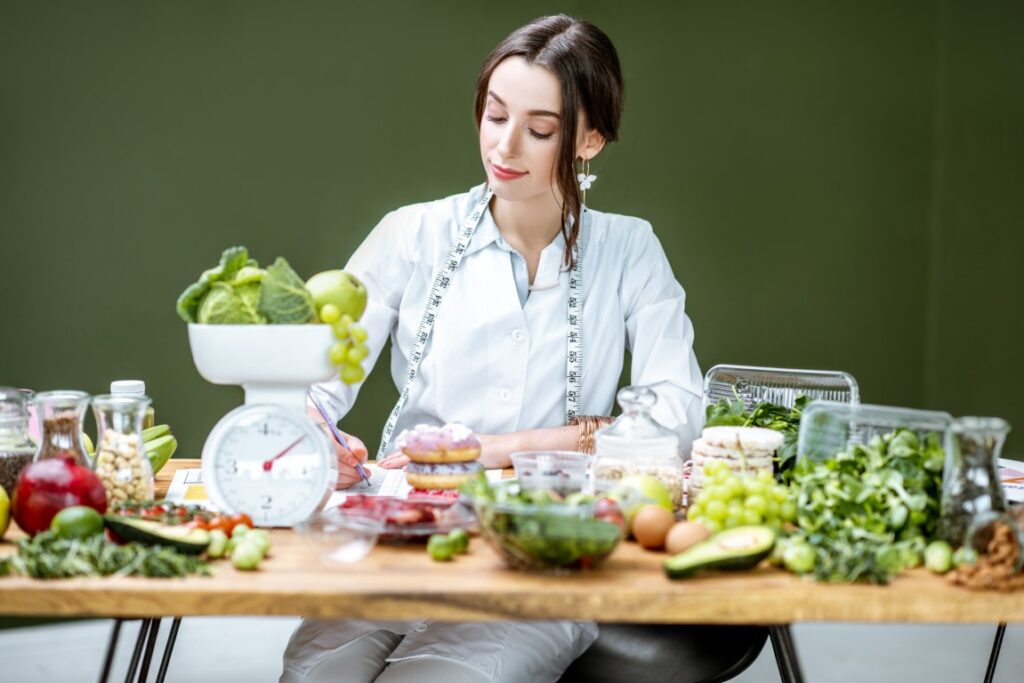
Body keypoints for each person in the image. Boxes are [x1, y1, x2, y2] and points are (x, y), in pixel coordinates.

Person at [281, 14, 703, 683]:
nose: (505, 145)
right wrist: (311, 433)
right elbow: (308, 383)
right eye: (494, 115)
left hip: (538, 562)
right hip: (398, 541)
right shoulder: (410, 235)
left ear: (590, 138)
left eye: (539, 129)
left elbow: (675, 414)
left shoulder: (629, 250)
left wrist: (492, 450)